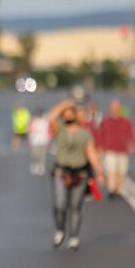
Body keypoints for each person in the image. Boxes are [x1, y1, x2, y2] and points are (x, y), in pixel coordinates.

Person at [47, 99, 104, 251]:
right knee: (60, 205)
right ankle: (60, 230)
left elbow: (91, 153)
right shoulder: (59, 130)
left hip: (80, 174)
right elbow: (51, 117)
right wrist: (65, 104)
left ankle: (73, 237)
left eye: (70, 113)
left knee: (75, 207)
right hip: (61, 173)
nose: (67, 115)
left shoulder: (85, 133)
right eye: (65, 114)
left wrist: (99, 172)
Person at [98, 100, 135, 198]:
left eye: (116, 108)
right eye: (113, 108)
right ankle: (111, 190)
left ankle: (118, 190)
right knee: (111, 170)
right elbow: (100, 135)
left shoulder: (126, 121)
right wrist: (100, 147)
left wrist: (132, 145)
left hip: (122, 150)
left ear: (120, 109)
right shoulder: (105, 121)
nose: (115, 110)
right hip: (110, 150)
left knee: (121, 172)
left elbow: (131, 135)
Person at [28, 108, 51, 175]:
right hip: (35, 141)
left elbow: (49, 130)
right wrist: (29, 139)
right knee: (35, 154)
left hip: (43, 140)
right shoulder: (34, 121)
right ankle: (35, 164)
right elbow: (30, 130)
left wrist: (48, 139)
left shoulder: (45, 121)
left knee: (42, 155)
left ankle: (41, 167)